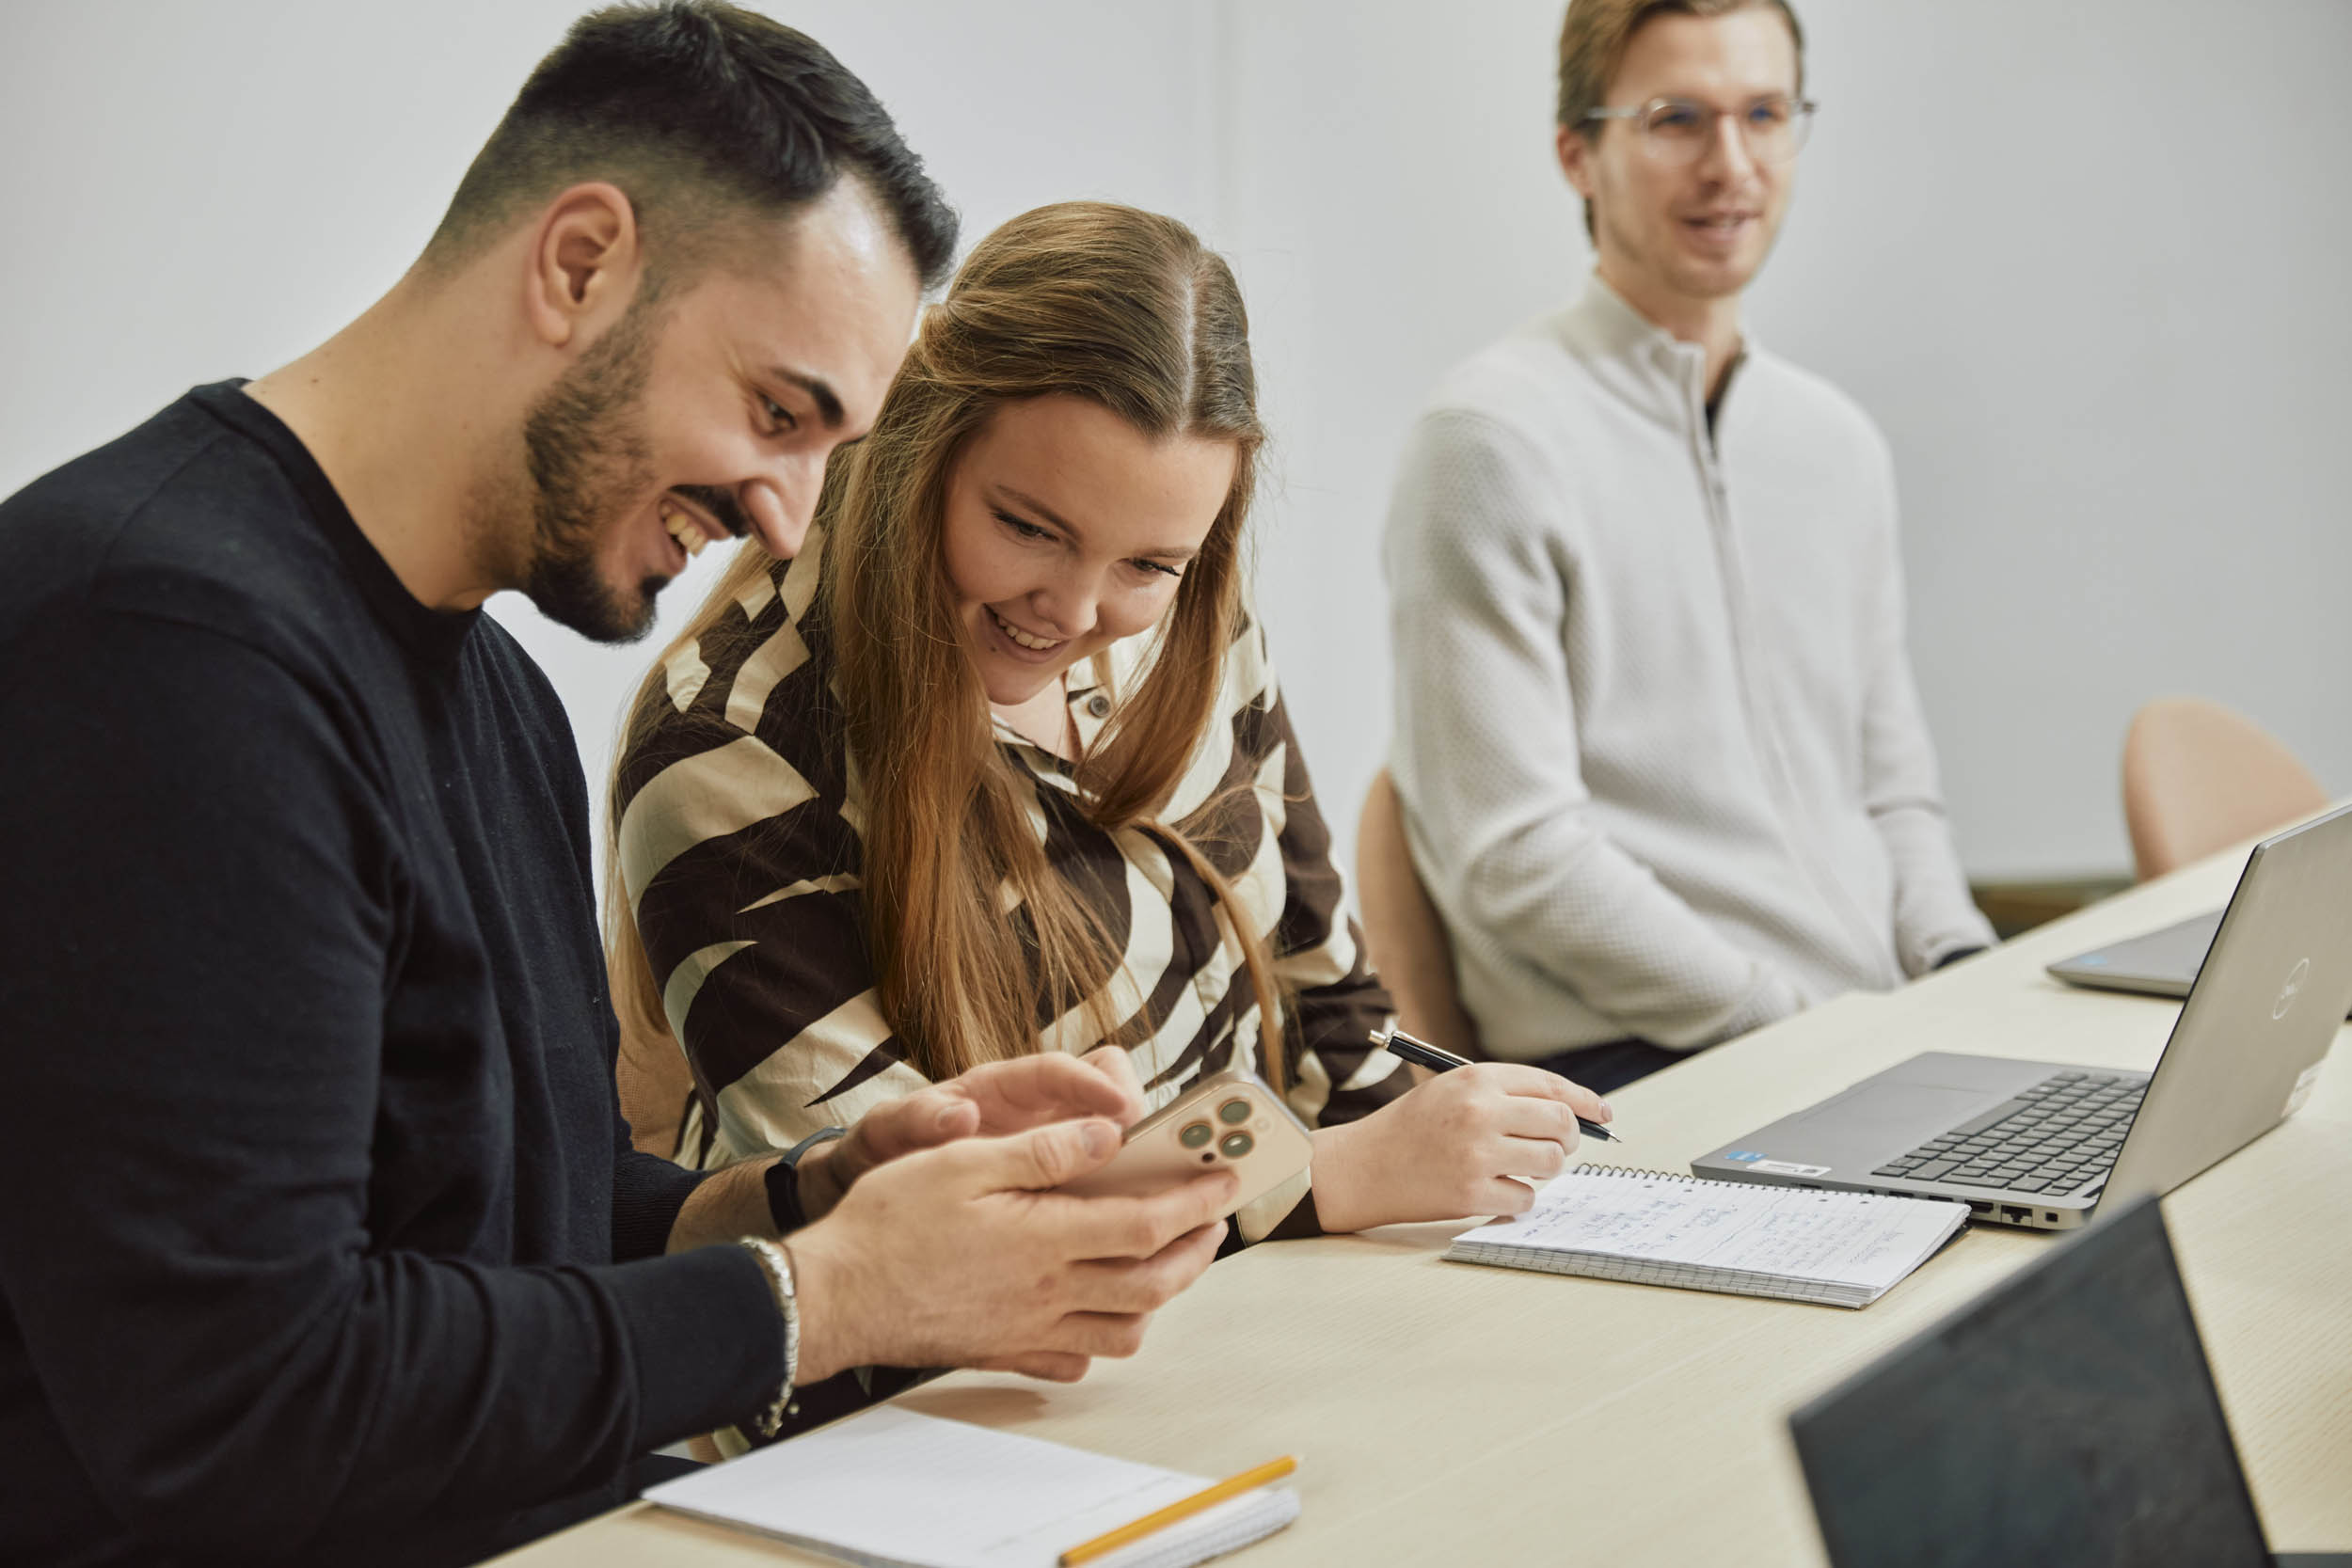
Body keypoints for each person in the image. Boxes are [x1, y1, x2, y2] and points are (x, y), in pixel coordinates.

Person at [0, 8, 1236, 1565]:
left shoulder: (497, 693)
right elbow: (247, 1403)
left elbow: (531, 1216)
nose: (788, 518)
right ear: (579, 263)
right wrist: (830, 1296)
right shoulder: (158, 647)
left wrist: (822, 1200)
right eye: (778, 413)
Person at [608, 200, 1611, 1323]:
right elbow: (917, 1233)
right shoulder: (734, 749)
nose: (1076, 612)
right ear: (919, 441)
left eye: (1147, 562)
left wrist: (1455, 1178)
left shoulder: (1188, 626)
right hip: (951, 1384)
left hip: (1251, 1306)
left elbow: (1327, 1005)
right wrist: (1331, 1175)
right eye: (1030, 528)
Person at [1382, 0, 1994, 1095]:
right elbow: (1514, 857)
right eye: (1676, 119)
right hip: (1645, 1062)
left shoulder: (1835, 445)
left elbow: (1895, 794)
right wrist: (1797, 1025)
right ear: (1577, 153)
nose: (1731, 165)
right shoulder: (1489, 442)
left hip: (1868, 1037)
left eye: (1763, 114)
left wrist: (1960, 971)